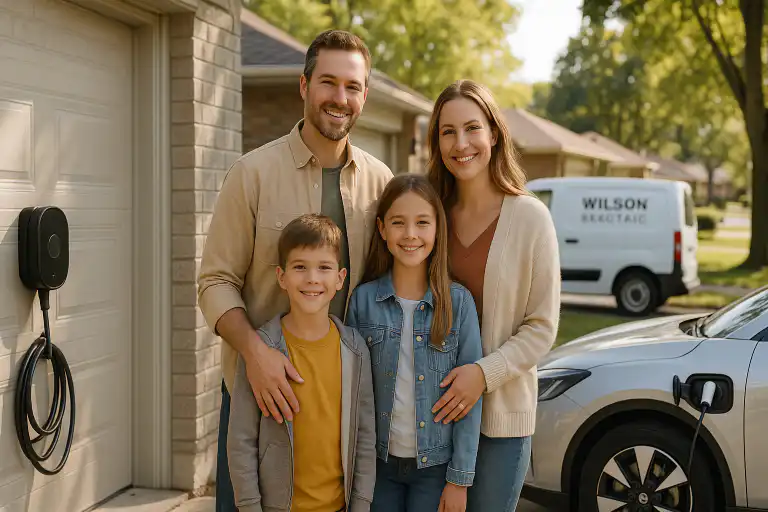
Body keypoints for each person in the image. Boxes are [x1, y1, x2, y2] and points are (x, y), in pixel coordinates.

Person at [197, 30, 393, 512]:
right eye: (328, 82)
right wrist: (256, 355)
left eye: (352, 86)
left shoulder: (380, 183)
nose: (339, 98)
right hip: (261, 401)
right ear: (304, 86)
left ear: (365, 95)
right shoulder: (252, 174)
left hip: (341, 404)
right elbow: (214, 282)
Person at [426, 80, 561, 511]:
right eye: (447, 131)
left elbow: (541, 327)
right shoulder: (428, 216)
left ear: (494, 134)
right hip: (431, 414)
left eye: (472, 128)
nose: (461, 143)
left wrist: (483, 374)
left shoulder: (530, 218)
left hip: (501, 421)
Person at [346, 174, 483, 512]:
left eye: (422, 222)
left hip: (435, 470)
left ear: (438, 229)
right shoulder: (362, 302)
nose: (410, 234)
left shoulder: (458, 303)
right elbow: (349, 394)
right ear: (381, 229)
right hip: (377, 466)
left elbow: (469, 403)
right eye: (398, 223)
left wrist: (459, 479)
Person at [226, 214, 376, 512]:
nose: (312, 279)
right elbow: (241, 441)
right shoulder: (263, 350)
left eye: (324, 267)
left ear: (340, 278)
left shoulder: (355, 349)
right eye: (300, 267)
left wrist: (360, 504)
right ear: (281, 277)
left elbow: (364, 437)